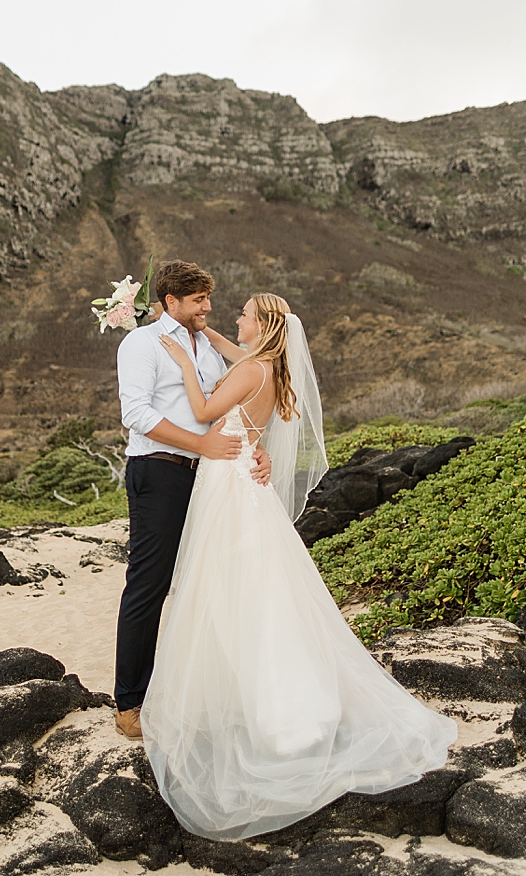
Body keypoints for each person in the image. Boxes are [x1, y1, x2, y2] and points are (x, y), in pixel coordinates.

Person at [142, 292, 458, 841]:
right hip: (242, 475)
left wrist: (180, 363)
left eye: (242, 314)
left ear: (262, 325)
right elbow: (233, 363)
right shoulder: (266, 368)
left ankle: (278, 713)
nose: (232, 319)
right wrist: (197, 337)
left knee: (234, 592)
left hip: (229, 482)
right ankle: (262, 698)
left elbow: (203, 413)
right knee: (258, 592)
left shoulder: (250, 370)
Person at [113, 261, 272, 740]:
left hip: (208, 477)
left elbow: (221, 412)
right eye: (199, 300)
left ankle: (188, 691)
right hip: (158, 471)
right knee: (150, 584)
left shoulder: (205, 345)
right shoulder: (141, 344)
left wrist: (253, 449)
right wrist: (199, 445)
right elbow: (135, 413)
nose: (208, 307)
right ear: (170, 303)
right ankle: (130, 704)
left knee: (203, 583)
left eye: (209, 297)